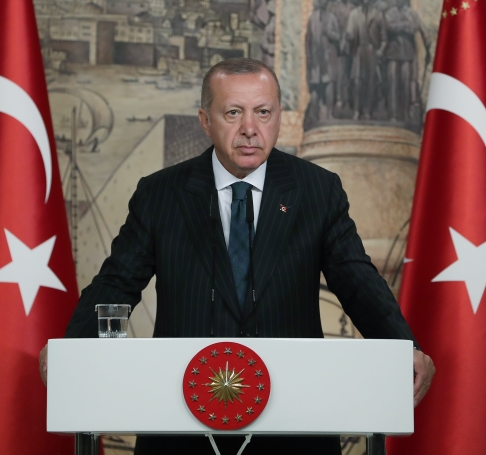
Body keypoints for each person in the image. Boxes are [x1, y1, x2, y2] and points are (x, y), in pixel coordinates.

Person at [44, 58, 434, 455]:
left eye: (263, 112)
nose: (250, 128)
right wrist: (71, 350)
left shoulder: (317, 190)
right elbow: (117, 282)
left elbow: (357, 281)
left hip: (294, 425)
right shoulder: (161, 193)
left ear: (278, 116)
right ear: (204, 120)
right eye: (233, 112)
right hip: (182, 423)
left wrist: (404, 346)